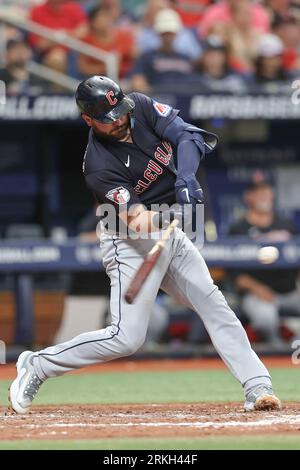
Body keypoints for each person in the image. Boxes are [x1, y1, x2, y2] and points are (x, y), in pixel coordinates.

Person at [9, 75, 281, 414]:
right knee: (127, 337)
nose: (120, 120)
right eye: (109, 118)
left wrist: (186, 176)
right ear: (88, 120)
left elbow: (185, 136)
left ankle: (257, 386)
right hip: (127, 239)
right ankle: (38, 364)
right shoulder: (98, 165)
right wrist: (172, 215)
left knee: (213, 303)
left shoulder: (139, 106)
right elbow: (137, 220)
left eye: (119, 112)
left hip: (169, 229)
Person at [228, 179, 300, 345]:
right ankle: (275, 351)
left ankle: (294, 348)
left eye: (267, 193)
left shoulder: (286, 224)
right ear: (249, 197)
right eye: (259, 194)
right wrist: (258, 289)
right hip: (257, 294)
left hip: (289, 293)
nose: (265, 197)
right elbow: (235, 275)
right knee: (266, 318)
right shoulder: (238, 228)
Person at [130, 9, 194, 93]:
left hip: (183, 102)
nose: (168, 37)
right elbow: (137, 81)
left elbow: (194, 83)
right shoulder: (147, 57)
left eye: (170, 33)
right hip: (157, 101)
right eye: (165, 33)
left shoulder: (186, 58)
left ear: (176, 33)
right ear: (158, 33)